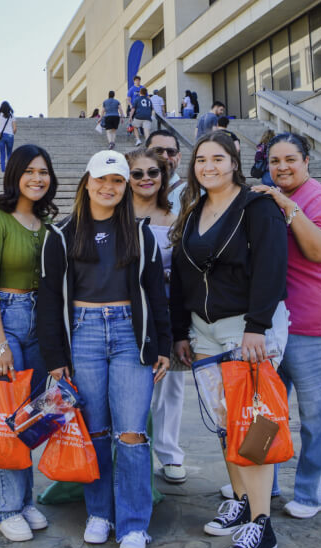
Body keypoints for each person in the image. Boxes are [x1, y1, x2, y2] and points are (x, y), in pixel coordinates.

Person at [37, 150, 171, 548]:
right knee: (93, 430)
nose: (109, 188)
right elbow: (48, 301)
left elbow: (155, 295)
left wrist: (162, 344)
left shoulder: (140, 233)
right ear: (87, 182)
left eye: (117, 181)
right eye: (102, 180)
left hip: (131, 334)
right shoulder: (61, 236)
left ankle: (133, 523)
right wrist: (55, 359)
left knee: (131, 432)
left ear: (125, 186)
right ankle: (100, 513)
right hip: (84, 334)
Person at [169, 132, 289, 548]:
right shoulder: (194, 209)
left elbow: (273, 266)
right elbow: (182, 277)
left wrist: (257, 326)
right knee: (224, 424)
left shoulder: (257, 207)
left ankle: (262, 524)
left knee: (254, 425)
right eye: (201, 159)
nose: (209, 166)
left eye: (218, 158)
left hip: (246, 330)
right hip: (203, 332)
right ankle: (241, 500)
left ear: (235, 161)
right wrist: (181, 331)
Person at [254, 132, 321, 520]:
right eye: (274, 161)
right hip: (280, 323)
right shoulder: (271, 196)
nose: (281, 167)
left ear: (306, 161)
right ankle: (265, 482)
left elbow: (320, 251)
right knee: (266, 408)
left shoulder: (319, 199)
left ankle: (316, 492)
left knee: (317, 414)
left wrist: (286, 205)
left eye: (290, 160)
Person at [0, 144, 58, 541]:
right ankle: (5, 508)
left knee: (29, 415)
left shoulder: (48, 224)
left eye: (44, 172)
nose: (38, 178)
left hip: (38, 320)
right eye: (30, 171)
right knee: (5, 414)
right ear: (15, 174)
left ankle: (24, 500)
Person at [127, 148, 188, 484]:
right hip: (123, 314)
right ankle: (131, 451)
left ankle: (169, 453)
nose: (146, 179)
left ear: (164, 177)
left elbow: (184, 268)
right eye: (138, 173)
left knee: (170, 385)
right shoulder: (114, 214)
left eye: (154, 172)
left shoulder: (174, 217)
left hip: (164, 312)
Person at [146, 130, 185, 216]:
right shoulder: (131, 191)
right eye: (157, 151)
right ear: (145, 154)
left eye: (171, 152)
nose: (165, 157)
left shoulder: (193, 195)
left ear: (179, 157)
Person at [0, 101, 17, 172]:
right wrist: (12, 134)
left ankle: (3, 170)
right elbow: (15, 128)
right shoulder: (12, 115)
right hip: (10, 135)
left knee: (2, 153)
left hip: (1, 135)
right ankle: (9, 170)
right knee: (9, 153)